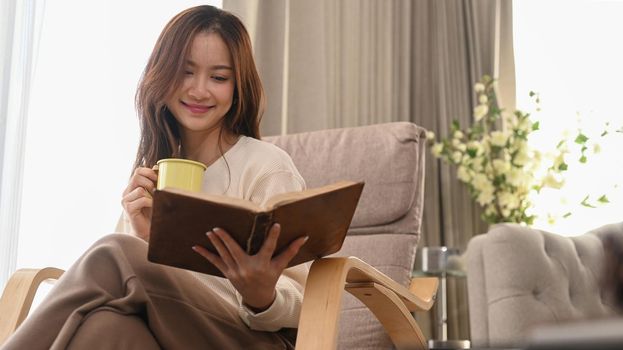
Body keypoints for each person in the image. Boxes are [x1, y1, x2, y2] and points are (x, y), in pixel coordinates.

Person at [2, 5, 308, 350]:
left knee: (114, 251)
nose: (199, 90)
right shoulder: (151, 178)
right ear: (160, 75)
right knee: (104, 325)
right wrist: (145, 238)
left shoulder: (266, 166)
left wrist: (261, 296)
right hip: (176, 334)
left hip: (254, 339)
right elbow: (130, 293)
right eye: (185, 72)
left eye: (219, 78)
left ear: (238, 88)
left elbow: (308, 299)